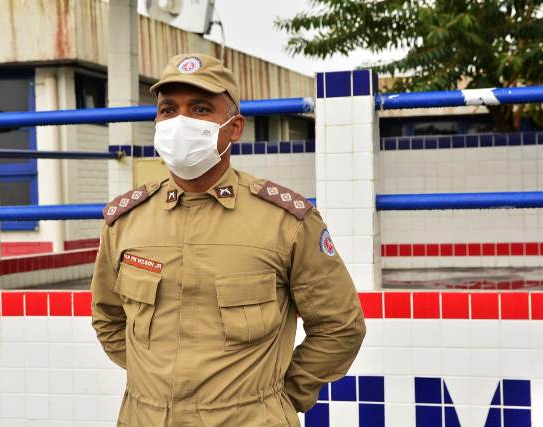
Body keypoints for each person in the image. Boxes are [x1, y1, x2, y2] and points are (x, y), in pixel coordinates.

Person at [91, 53, 365, 427]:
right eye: (169, 110)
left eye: (200, 108)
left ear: (234, 128)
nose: (181, 121)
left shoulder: (285, 221)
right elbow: (108, 317)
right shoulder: (126, 221)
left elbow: (340, 327)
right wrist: (155, 385)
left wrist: (278, 399)